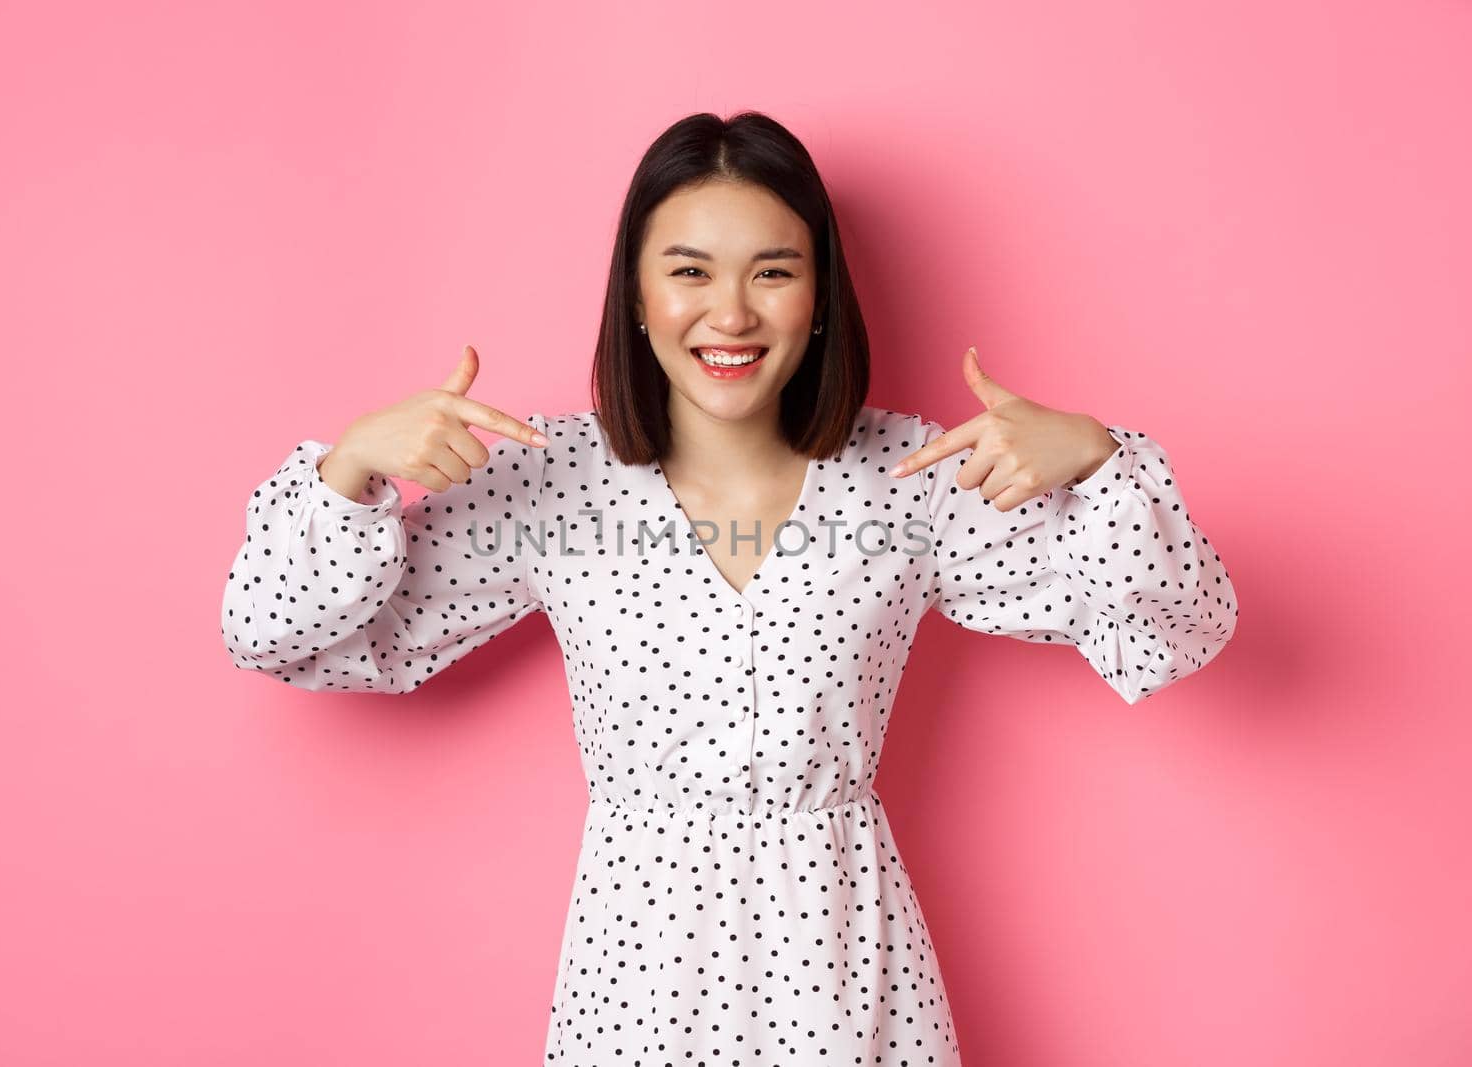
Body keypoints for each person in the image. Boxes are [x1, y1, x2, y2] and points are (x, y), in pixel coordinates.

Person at [221, 110, 1237, 1065]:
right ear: (635, 291)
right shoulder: (550, 480)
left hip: (844, 969)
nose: (732, 311)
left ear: (821, 293)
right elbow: (277, 635)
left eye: (773, 270)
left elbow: (1176, 629)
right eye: (690, 270)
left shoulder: (914, 481)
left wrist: (1103, 466)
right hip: (634, 978)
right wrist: (349, 472)